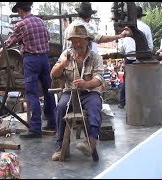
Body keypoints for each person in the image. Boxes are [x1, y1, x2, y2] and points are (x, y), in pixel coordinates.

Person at [50, 24, 104, 161]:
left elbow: (99, 79)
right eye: (74, 41)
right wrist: (62, 65)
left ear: (87, 40)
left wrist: (86, 84)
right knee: (61, 107)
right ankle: (61, 146)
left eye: (79, 40)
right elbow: (53, 75)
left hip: (89, 92)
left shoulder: (96, 57)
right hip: (70, 92)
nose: (76, 43)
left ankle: (90, 141)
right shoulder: (66, 54)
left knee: (95, 106)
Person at [4, 2, 56, 138]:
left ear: (20, 10)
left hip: (31, 60)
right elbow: (48, 38)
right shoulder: (40, 21)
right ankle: (52, 122)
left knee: (32, 94)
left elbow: (9, 42)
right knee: (48, 91)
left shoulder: (21, 25)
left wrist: (1, 49)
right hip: (45, 59)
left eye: (18, 12)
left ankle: (35, 128)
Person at [62, 2, 132, 52]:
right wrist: (121, 35)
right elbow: (100, 39)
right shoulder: (85, 27)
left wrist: (64, 21)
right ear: (89, 16)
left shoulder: (70, 27)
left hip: (66, 62)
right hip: (75, 62)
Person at [117, 36, 136, 109]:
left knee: (126, 82)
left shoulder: (125, 39)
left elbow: (121, 50)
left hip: (129, 59)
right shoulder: (137, 37)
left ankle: (122, 103)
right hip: (139, 59)